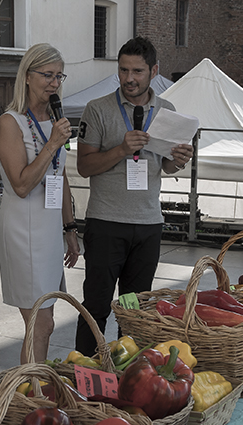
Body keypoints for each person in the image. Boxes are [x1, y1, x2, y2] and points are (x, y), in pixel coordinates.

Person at [74, 37, 194, 356]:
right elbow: (84, 167)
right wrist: (121, 149)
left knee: (135, 307)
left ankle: (130, 378)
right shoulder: (97, 109)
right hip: (106, 224)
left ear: (153, 71)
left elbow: (165, 165)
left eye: (138, 71)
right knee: (96, 306)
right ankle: (84, 375)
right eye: (124, 70)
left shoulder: (167, 111)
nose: (129, 78)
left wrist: (178, 159)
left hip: (148, 226)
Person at [0, 44, 80, 364]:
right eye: (47, 75)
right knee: (40, 324)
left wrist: (69, 229)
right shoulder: (10, 122)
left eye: (59, 76)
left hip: (49, 231)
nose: (54, 83)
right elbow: (21, 184)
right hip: (23, 229)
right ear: (27, 76)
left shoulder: (55, 121)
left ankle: (33, 390)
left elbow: (62, 175)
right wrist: (53, 143)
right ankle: (32, 395)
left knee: (44, 324)